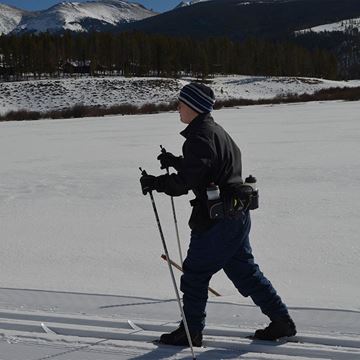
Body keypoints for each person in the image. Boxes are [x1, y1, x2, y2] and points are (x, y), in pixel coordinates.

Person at [140, 82, 296, 346]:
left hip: (217, 222)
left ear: (194, 106)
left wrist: (157, 182)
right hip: (237, 215)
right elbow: (208, 167)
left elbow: (187, 180)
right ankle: (281, 321)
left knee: (195, 276)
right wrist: (176, 161)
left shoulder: (199, 136)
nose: (177, 107)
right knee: (246, 272)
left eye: (181, 103)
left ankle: (191, 332)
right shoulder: (215, 132)